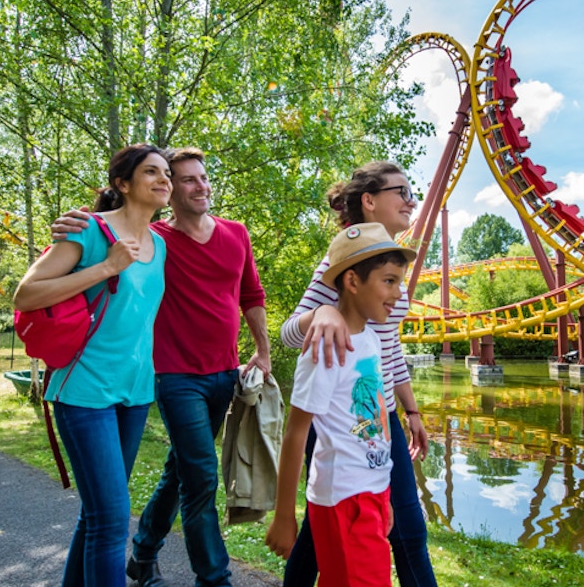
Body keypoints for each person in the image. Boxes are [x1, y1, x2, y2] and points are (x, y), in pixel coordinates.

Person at [53, 147, 270, 587]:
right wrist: (71, 224)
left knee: (182, 468)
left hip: (224, 373)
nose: (199, 186)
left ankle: (145, 551)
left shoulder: (237, 233)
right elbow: (109, 231)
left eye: (202, 178)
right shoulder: (156, 240)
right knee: (201, 476)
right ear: (169, 193)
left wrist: (262, 352)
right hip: (173, 376)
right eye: (186, 179)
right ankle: (215, 578)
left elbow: (252, 296)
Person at [14, 143, 171, 587]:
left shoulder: (160, 245)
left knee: (97, 515)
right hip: (84, 392)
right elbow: (25, 295)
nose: (164, 180)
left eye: (167, 173)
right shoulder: (89, 231)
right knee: (112, 519)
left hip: (135, 394)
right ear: (122, 184)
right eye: (151, 172)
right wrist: (106, 267)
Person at [279, 161, 438, 587]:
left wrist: (412, 411)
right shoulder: (342, 264)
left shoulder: (388, 270)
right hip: (342, 419)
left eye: (411, 191)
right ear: (369, 201)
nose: (411, 200)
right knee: (406, 535)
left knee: (323, 533)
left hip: (381, 416)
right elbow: (289, 334)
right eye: (400, 191)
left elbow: (389, 347)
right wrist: (324, 310)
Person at [266, 222, 417, 587]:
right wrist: (285, 515)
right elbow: (296, 433)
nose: (399, 294)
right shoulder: (325, 347)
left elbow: (375, 424)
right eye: (389, 281)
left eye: (399, 282)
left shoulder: (369, 338)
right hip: (345, 499)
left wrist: (385, 497)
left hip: (372, 493)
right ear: (352, 281)